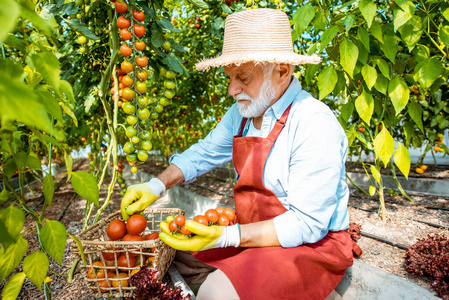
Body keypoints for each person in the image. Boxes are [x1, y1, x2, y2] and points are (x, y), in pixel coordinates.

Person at [121, 8, 360, 300]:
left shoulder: (313, 122)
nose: (233, 89)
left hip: (311, 246)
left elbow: (306, 224)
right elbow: (204, 152)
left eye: (243, 77)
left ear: (282, 70)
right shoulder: (243, 115)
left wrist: (227, 237)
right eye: (230, 77)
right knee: (175, 248)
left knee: (214, 293)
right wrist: (155, 185)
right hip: (257, 234)